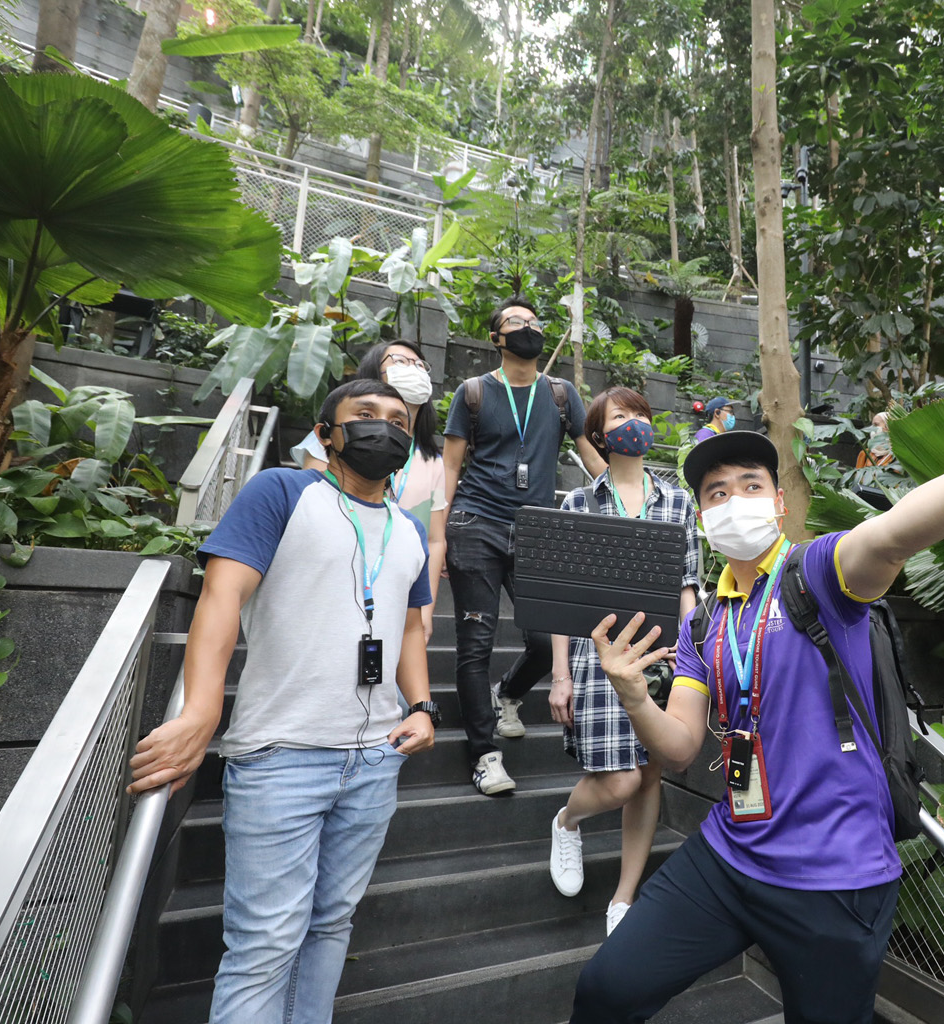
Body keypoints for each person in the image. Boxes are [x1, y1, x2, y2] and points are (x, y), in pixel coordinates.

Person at [568, 309, 944, 1024]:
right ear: (701, 519)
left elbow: (895, 532)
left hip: (836, 881)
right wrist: (629, 694)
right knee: (605, 990)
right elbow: (680, 746)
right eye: (714, 493)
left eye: (748, 485)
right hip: (730, 858)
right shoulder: (706, 623)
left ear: (777, 503)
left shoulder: (817, 576)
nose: (731, 500)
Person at [127, 378, 440, 1023]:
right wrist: (201, 711)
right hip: (281, 757)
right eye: (366, 415)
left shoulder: (409, 530)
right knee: (265, 944)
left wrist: (422, 706)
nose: (385, 426)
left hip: (376, 760)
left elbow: (409, 626)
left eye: (398, 419)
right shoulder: (280, 492)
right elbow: (220, 600)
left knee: (331, 925)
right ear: (327, 435)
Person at [545, 386, 700, 936]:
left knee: (651, 775)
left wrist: (693, 659)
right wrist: (559, 675)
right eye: (621, 416)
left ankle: (624, 898)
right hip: (599, 660)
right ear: (599, 433)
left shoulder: (679, 501)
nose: (634, 422)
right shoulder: (578, 503)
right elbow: (563, 597)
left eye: (640, 413)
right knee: (619, 782)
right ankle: (567, 821)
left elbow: (688, 586)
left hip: (663, 657)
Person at [440, 297, 609, 795]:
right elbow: (450, 466)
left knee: (543, 638)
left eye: (534, 322)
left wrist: (626, 501)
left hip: (537, 526)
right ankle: (484, 755)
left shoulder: (560, 394)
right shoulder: (473, 392)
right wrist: (438, 534)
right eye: (517, 323)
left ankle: (508, 693)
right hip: (475, 522)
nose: (529, 329)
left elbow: (590, 455)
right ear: (497, 338)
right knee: (475, 642)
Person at [293, 340, 448, 643]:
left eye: (419, 365)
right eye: (400, 361)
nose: (413, 369)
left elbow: (434, 539)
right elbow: (314, 501)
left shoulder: (432, 460)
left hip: (396, 584)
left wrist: (425, 611)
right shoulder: (336, 435)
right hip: (335, 575)